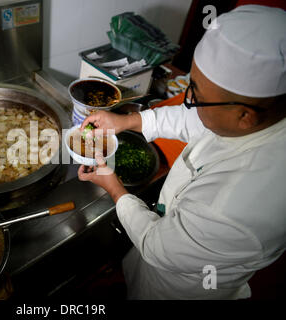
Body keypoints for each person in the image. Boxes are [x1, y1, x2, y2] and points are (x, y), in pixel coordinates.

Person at [78, 5, 286, 299]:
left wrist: (114, 188)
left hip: (185, 285)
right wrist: (128, 120)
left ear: (245, 116)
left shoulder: (235, 206)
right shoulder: (258, 116)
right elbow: (200, 120)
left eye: (196, 95)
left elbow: (156, 245)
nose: (189, 101)